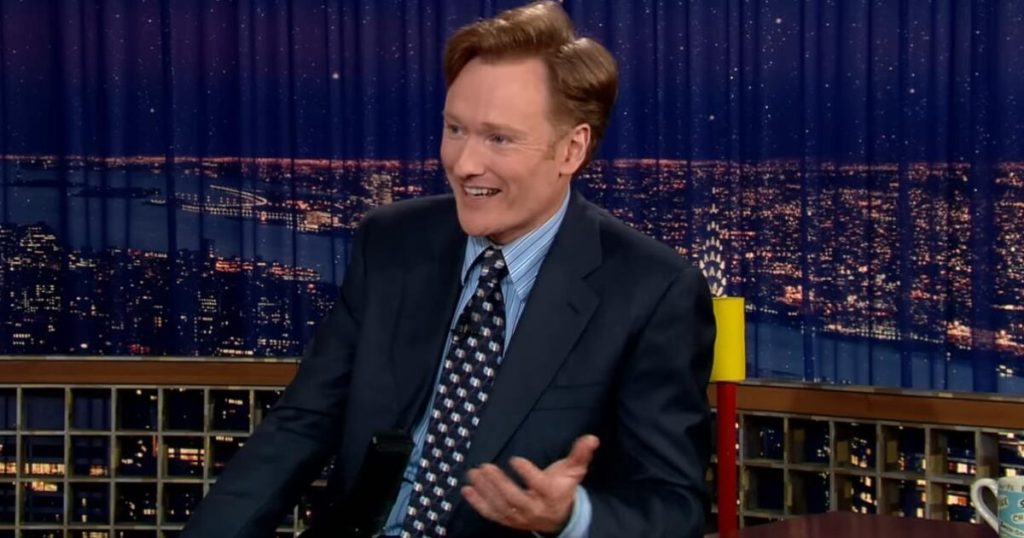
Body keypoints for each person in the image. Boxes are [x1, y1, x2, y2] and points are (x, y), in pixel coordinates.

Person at [183, 2, 715, 537]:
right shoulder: (392, 243)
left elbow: (675, 509)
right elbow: (301, 426)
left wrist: (569, 517)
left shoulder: (652, 290)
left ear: (571, 149)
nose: (463, 164)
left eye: (499, 138)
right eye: (455, 129)